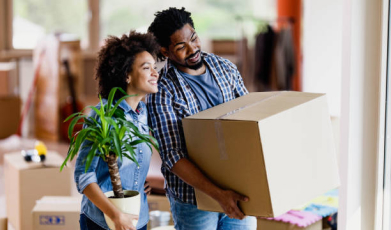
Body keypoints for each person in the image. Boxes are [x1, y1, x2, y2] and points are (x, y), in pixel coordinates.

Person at [147, 7, 257, 230]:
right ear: (165, 51)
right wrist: (218, 195)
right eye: (181, 47)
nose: (192, 49)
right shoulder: (162, 91)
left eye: (194, 38)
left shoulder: (225, 68)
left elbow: (250, 123)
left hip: (239, 189)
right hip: (193, 200)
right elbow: (172, 156)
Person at [74, 31, 160, 230]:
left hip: (138, 218)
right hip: (103, 221)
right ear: (127, 75)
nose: (155, 73)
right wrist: (117, 215)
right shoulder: (103, 116)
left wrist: (137, 183)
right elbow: (83, 176)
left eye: (154, 67)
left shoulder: (144, 113)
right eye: (147, 68)